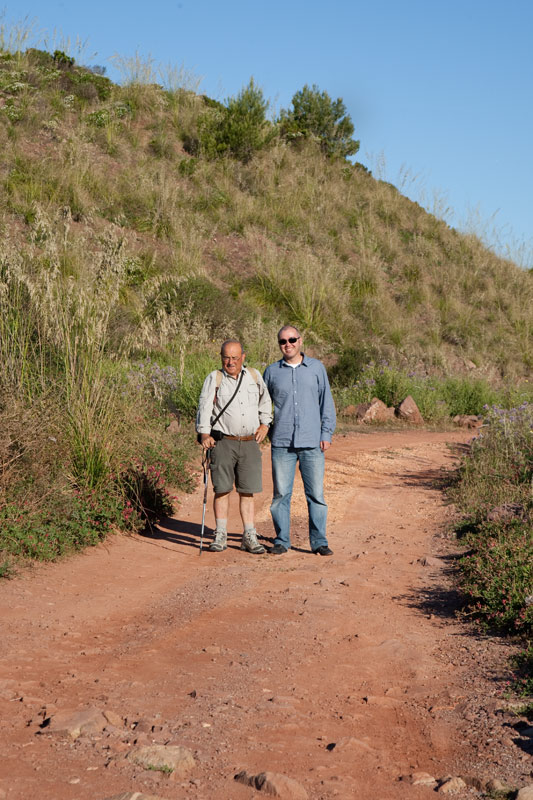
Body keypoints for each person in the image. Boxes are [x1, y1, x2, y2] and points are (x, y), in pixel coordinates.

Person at [263, 326, 336, 556]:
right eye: (283, 341)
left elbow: (327, 402)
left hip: (312, 441)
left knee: (315, 495)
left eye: (292, 339)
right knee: (280, 495)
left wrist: (326, 433)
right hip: (282, 443)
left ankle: (319, 542)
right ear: (279, 344)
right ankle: (281, 541)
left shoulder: (316, 368)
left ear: (300, 341)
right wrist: (264, 429)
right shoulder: (272, 372)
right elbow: (263, 406)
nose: (288, 344)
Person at [196, 339, 272, 554]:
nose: (231, 362)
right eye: (226, 357)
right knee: (222, 489)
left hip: (249, 442)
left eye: (235, 358)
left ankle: (249, 535)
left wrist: (265, 424)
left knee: (247, 491)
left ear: (243, 357)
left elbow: (265, 402)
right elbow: (204, 406)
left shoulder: (254, 377)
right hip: (223, 442)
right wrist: (204, 433)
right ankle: (220, 535)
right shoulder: (215, 378)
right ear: (221, 357)